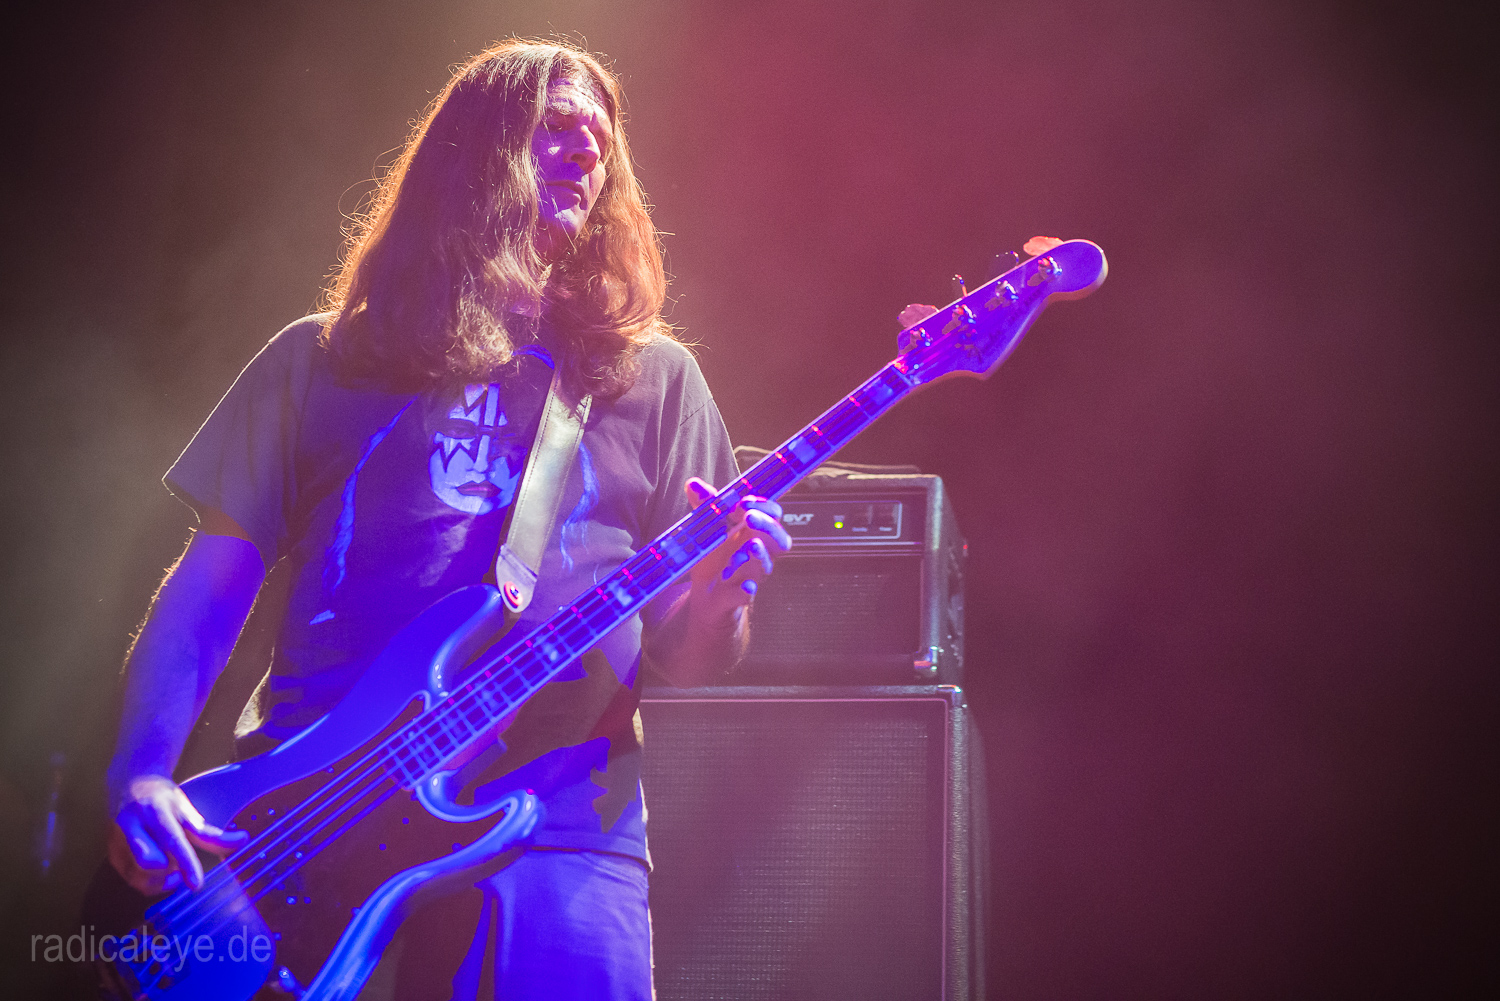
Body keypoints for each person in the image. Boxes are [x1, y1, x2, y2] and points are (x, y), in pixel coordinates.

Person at [103, 38, 790, 1000]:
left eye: (602, 141)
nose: (589, 152)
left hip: (561, 834)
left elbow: (688, 655)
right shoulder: (323, 358)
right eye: (557, 127)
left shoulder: (654, 379)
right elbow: (207, 592)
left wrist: (720, 604)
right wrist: (141, 771)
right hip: (295, 822)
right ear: (474, 149)